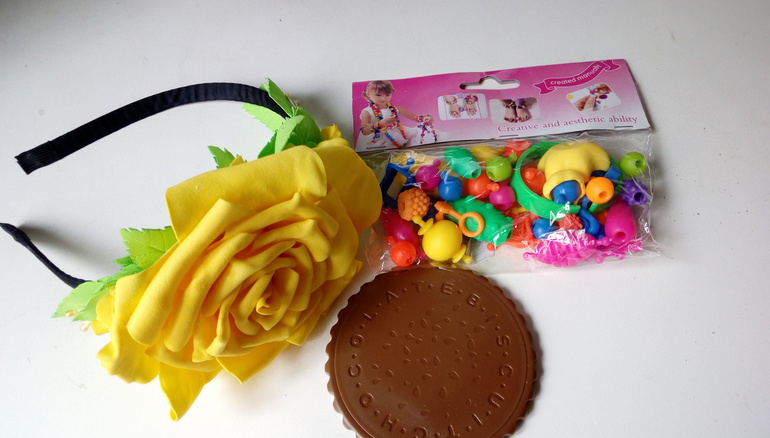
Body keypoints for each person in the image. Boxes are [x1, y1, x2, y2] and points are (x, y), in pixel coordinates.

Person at [357, 80, 434, 149]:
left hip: (396, 134)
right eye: (378, 95)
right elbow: (364, 131)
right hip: (376, 139)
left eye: (387, 95)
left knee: (424, 133)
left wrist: (425, 118)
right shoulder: (367, 112)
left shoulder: (395, 109)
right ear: (368, 94)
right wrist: (379, 124)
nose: (383, 98)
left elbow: (415, 118)